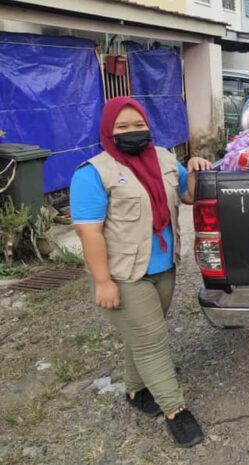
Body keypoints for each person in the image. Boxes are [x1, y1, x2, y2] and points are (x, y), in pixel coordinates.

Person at [71, 97, 212, 448]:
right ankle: (175, 411)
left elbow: (189, 196)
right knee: (152, 342)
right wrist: (103, 282)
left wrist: (193, 169)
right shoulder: (93, 173)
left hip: (164, 266)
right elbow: (89, 232)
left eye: (138, 125)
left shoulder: (164, 159)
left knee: (143, 334)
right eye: (122, 127)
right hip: (124, 274)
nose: (132, 132)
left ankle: (135, 391)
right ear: (107, 130)